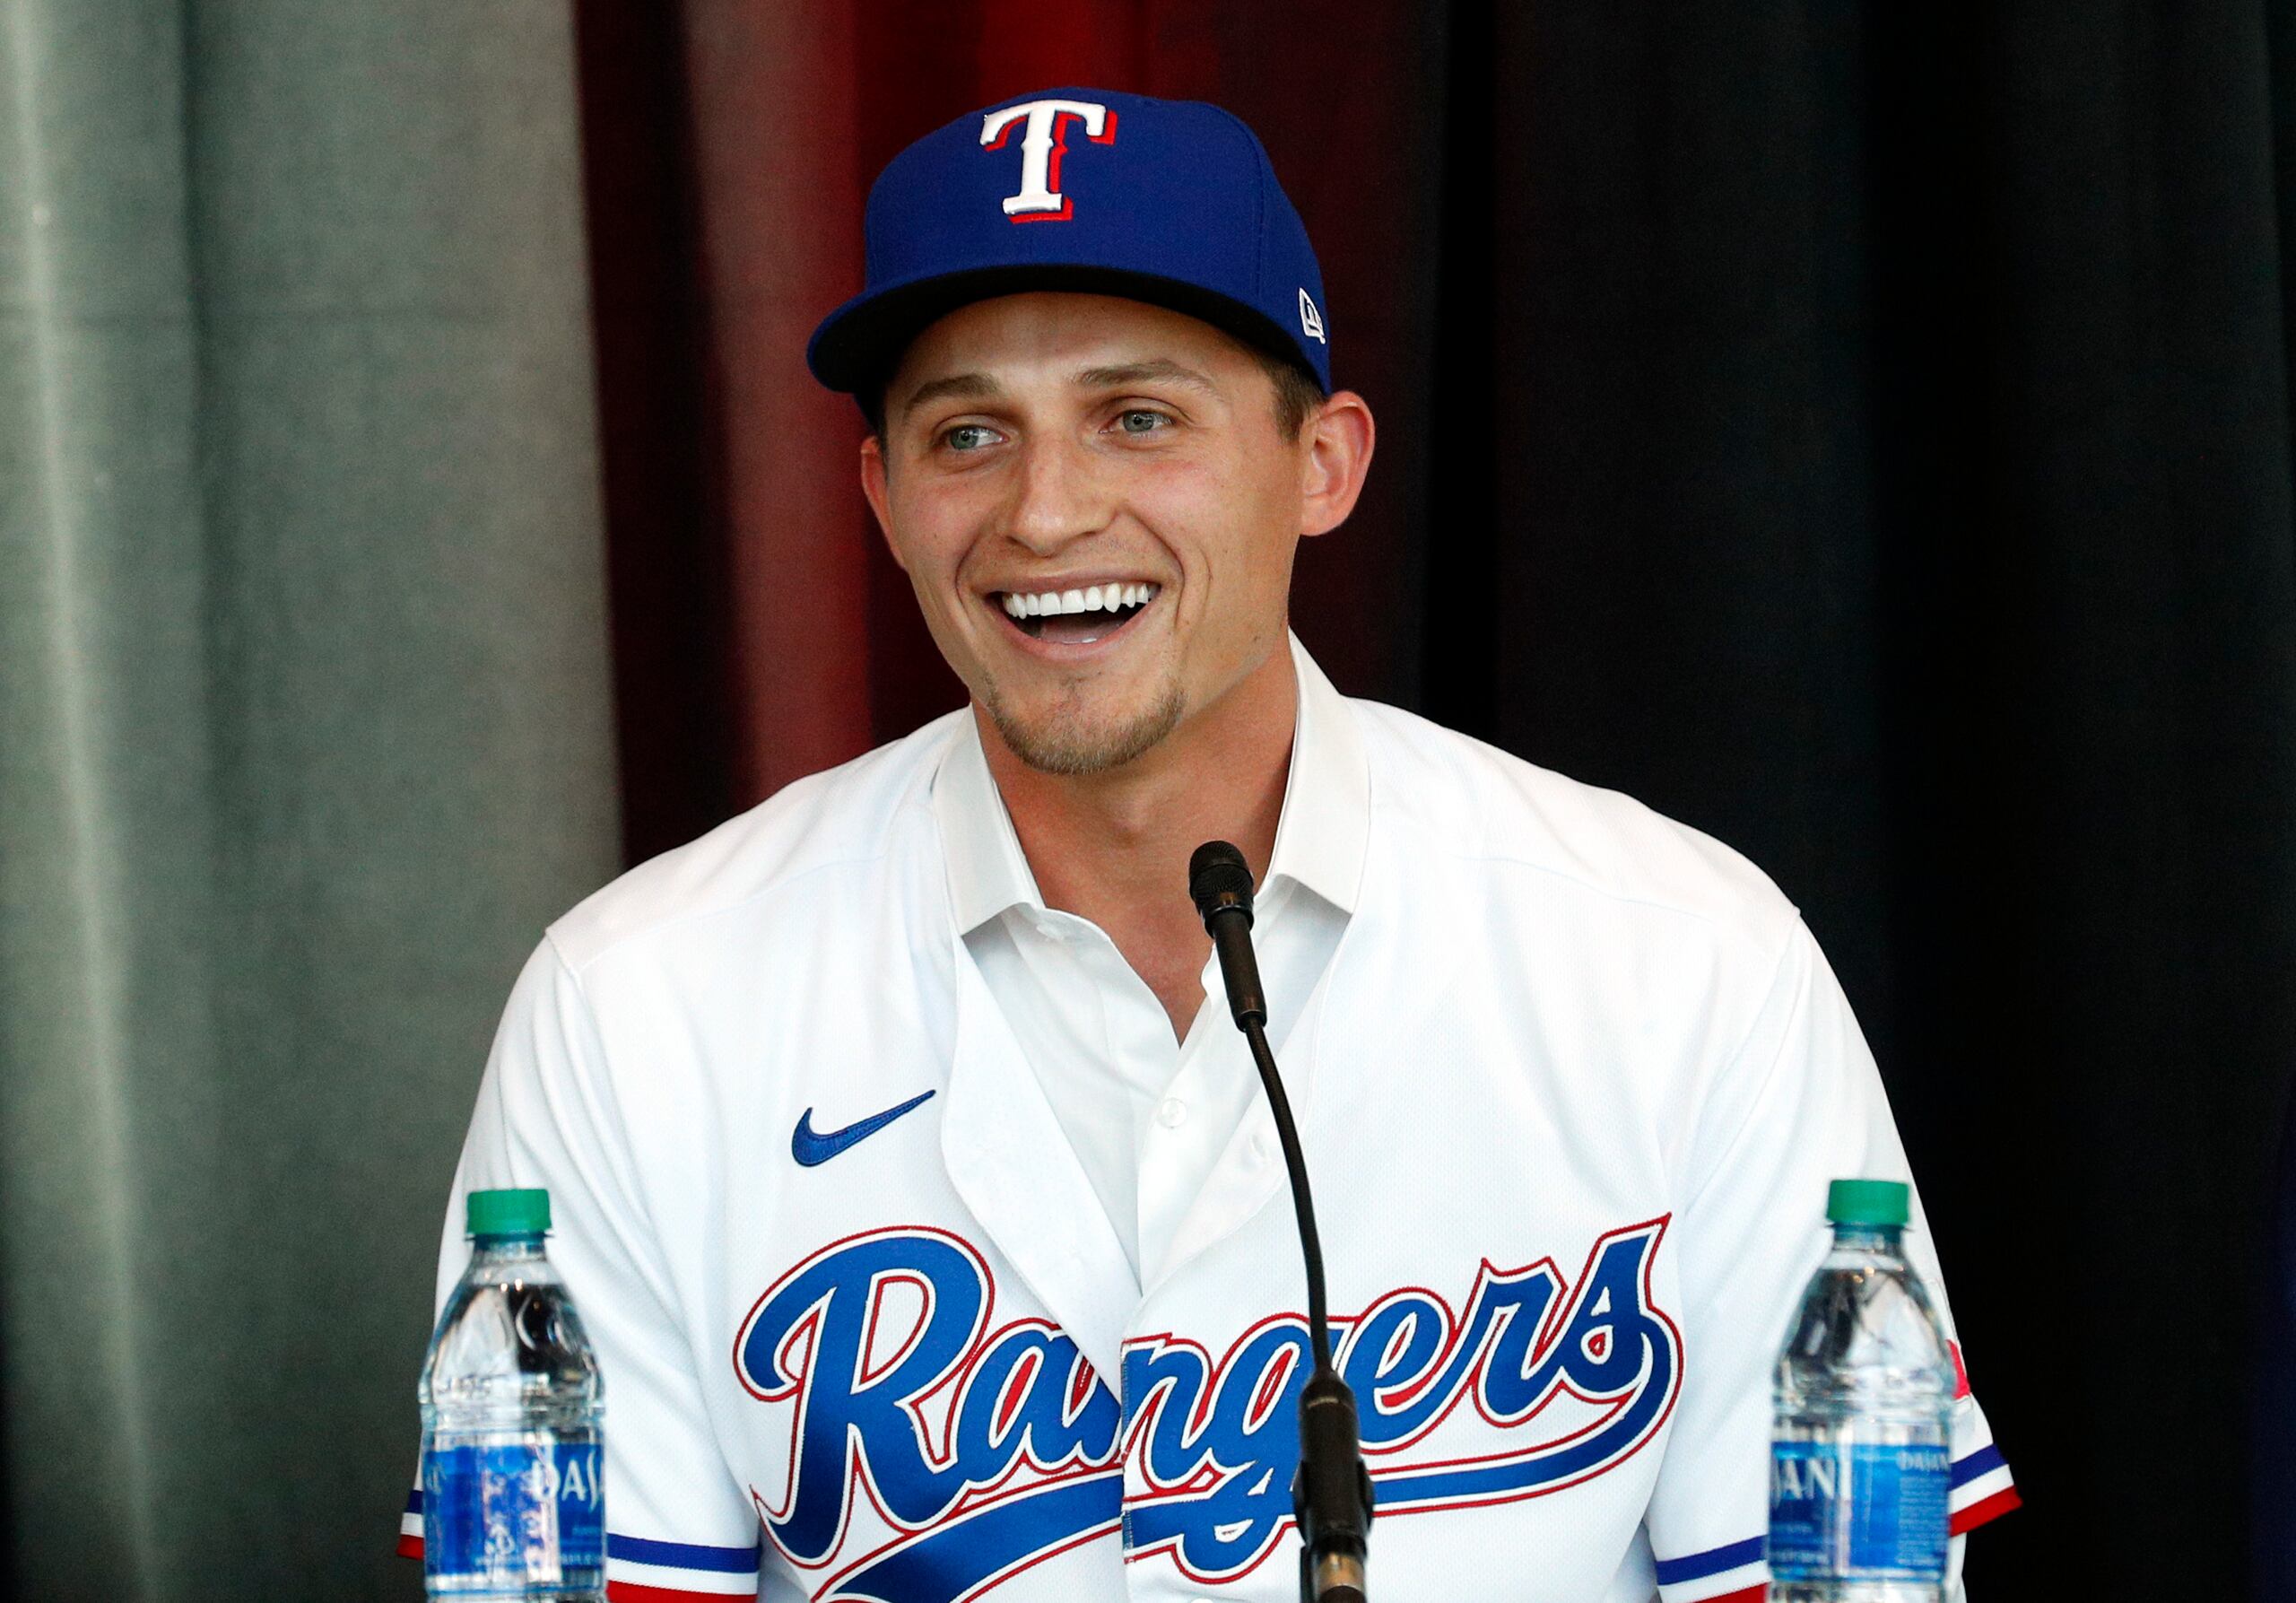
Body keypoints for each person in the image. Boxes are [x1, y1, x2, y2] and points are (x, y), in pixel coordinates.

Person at [401, 87, 2016, 1602]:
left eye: (1138, 417)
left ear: (1322, 466)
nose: (1044, 514)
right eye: (969, 434)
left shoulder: (1682, 964)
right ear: (883, 498)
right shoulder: (637, 1005)